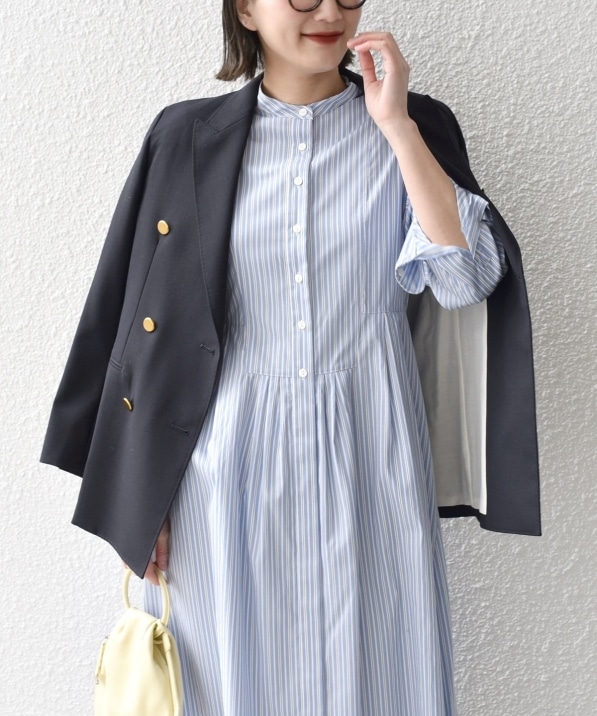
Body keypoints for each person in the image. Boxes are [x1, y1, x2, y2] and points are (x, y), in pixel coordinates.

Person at [41, 0, 541, 713]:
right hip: (219, 465)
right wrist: (137, 494)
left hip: (372, 451)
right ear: (246, 8)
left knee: (379, 681)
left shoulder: (415, 127)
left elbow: (465, 280)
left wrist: (397, 126)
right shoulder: (185, 136)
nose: (329, 11)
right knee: (229, 684)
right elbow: (137, 320)